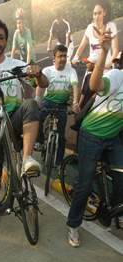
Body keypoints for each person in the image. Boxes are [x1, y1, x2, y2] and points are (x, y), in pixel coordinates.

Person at [0, 19, 48, 225]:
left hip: (13, 121)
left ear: (6, 41)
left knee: (30, 104)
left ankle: (28, 158)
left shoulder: (17, 65)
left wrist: (38, 74)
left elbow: (42, 83)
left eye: (1, 37)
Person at [67, 30, 123, 247]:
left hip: (113, 138)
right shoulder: (116, 76)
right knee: (85, 183)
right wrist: (104, 52)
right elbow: (94, 85)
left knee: (121, 177)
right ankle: (73, 224)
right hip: (91, 136)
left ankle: (115, 214)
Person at [36, 44, 79, 167]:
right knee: (38, 116)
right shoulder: (47, 70)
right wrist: (38, 99)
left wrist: (75, 102)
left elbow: (75, 86)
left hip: (62, 105)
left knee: (60, 136)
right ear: (54, 58)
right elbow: (40, 86)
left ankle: (59, 163)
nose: (63, 59)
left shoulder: (71, 71)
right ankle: (39, 141)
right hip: (47, 101)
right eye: (60, 56)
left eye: (65, 56)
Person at [72, 0, 119, 70]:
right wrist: (75, 58)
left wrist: (109, 64)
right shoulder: (89, 28)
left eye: (99, 13)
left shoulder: (111, 27)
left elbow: (115, 51)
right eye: (95, 14)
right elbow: (81, 47)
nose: (97, 16)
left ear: (104, 13)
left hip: (106, 66)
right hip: (92, 66)